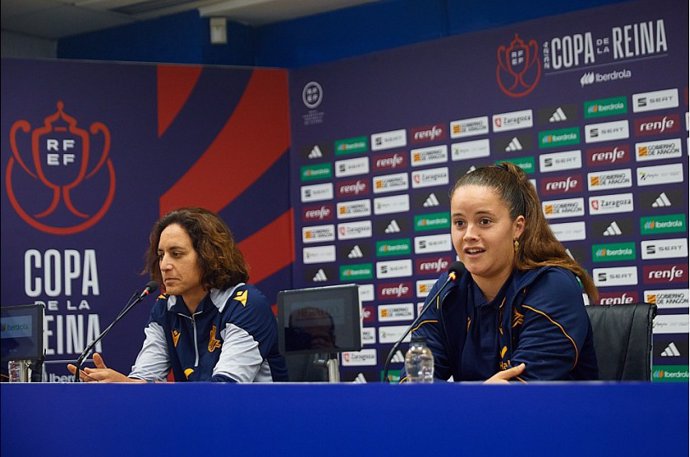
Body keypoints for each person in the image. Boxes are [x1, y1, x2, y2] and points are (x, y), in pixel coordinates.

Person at [400, 162, 598, 383]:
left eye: (484, 221)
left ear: (517, 227)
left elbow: (519, 393)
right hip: (474, 417)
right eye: (459, 223)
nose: (468, 235)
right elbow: (414, 384)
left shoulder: (552, 286)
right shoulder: (450, 288)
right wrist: (481, 394)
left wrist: (462, 398)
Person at [68, 207, 288, 383]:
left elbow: (224, 391)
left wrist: (140, 391)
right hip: (202, 424)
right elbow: (146, 375)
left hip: (258, 427)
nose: (164, 265)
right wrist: (123, 387)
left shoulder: (246, 304)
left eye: (177, 254)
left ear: (208, 256)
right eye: (161, 255)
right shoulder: (166, 306)